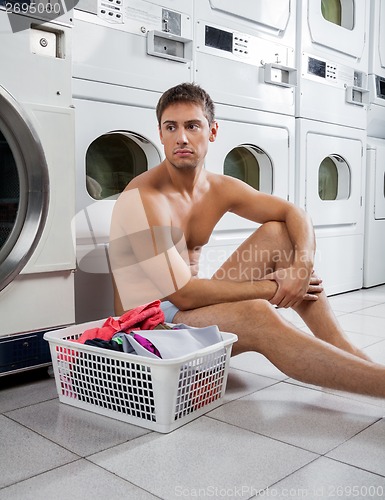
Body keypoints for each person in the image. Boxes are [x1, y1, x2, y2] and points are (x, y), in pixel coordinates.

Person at [109, 82, 385, 398]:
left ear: (211, 132)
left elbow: (294, 212)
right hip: (148, 330)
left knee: (279, 234)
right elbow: (183, 294)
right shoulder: (142, 198)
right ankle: (378, 382)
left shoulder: (217, 188)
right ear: (160, 134)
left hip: (187, 314)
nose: (181, 137)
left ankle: (347, 357)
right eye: (171, 127)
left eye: (192, 126)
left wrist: (301, 268)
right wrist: (275, 288)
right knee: (257, 313)